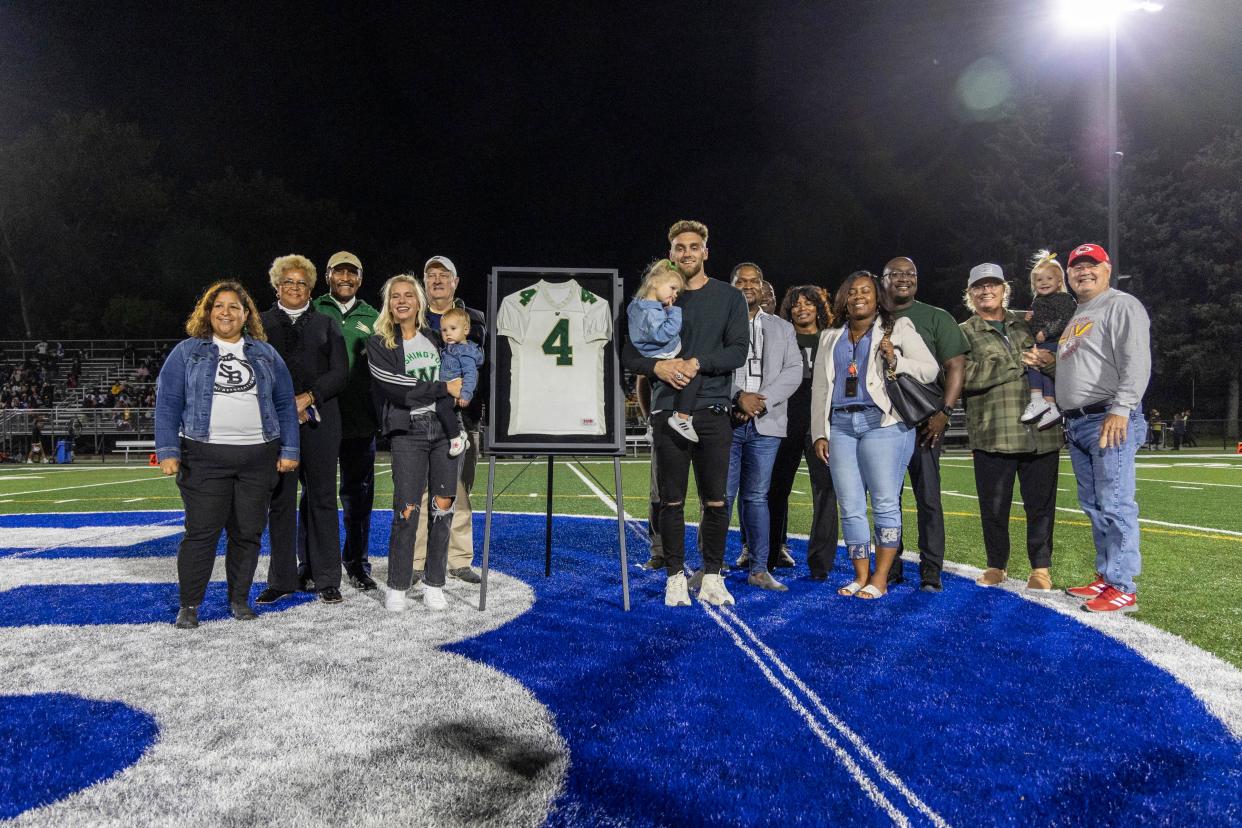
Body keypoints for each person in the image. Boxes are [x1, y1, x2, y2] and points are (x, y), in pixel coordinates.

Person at [155, 280, 299, 629]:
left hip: (258, 456)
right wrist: (168, 450)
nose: (226, 312)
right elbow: (168, 402)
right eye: (219, 305)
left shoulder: (266, 353)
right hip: (204, 456)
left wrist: (290, 448)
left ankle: (239, 598)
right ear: (208, 312)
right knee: (201, 532)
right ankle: (189, 604)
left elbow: (284, 403)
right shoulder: (188, 351)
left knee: (247, 532)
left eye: (235, 306)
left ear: (246, 314)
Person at [621, 219, 749, 607]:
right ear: (670, 252)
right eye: (680, 247)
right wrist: (657, 368)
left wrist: (696, 362)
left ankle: (712, 574)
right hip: (667, 411)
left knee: (716, 500)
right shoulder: (652, 297)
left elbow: (736, 351)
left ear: (705, 251)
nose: (687, 253)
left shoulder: (729, 297)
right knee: (671, 501)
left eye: (694, 246)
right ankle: (675, 576)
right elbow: (627, 353)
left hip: (712, 409)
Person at [1022, 243, 1151, 613]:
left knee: (1115, 502)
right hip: (1078, 422)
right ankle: (1107, 576)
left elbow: (1136, 360)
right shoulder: (1079, 313)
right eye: (1077, 267)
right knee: (1094, 504)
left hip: (1106, 417)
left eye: (1091, 265)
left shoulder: (1121, 305)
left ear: (1107, 268)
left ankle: (1123, 584)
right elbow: (1080, 365)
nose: (1084, 272)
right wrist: (1047, 359)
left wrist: (1122, 408)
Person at [811, 270, 939, 599]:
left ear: (876, 295)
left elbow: (930, 369)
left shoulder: (897, 327)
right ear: (843, 299)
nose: (858, 296)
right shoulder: (830, 336)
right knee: (850, 505)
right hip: (840, 425)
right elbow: (821, 387)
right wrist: (818, 432)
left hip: (883, 423)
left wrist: (897, 360)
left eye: (865, 291)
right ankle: (860, 575)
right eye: (852, 291)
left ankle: (880, 577)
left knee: (884, 503)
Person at [959, 263, 1061, 591]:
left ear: (1005, 290)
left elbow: (1059, 360)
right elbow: (962, 376)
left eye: (993, 285)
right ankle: (996, 565)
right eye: (979, 287)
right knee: (994, 506)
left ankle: (1041, 569)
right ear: (970, 294)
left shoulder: (1029, 324)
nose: (986, 291)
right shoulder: (962, 332)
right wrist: (1016, 362)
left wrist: (1051, 363)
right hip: (994, 432)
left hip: (1040, 433)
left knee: (1041, 505)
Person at [367, 274, 465, 612]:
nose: (402, 300)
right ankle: (397, 583)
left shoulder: (435, 338)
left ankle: (434, 582)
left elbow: (459, 372)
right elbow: (397, 387)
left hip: (444, 431)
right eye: (396, 296)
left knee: (443, 507)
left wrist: (462, 386)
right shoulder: (380, 343)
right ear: (389, 303)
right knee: (406, 509)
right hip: (408, 432)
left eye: (409, 294)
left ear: (419, 301)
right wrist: (444, 389)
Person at [256, 254, 349, 606]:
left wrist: (308, 398)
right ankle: (282, 579)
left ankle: (326, 577)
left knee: (323, 498)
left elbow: (340, 372)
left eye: (301, 282)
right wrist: (284, 405)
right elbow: (257, 373)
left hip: (321, 420)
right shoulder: (261, 324)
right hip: (276, 423)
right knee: (280, 500)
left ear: (311, 287)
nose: (294, 288)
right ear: (277, 286)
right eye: (288, 282)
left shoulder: (327, 323)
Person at [881, 256, 969, 592]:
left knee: (928, 498)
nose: (904, 279)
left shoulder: (935, 317)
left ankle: (931, 570)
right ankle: (891, 566)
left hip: (923, 420)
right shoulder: (873, 316)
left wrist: (944, 412)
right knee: (887, 498)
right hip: (883, 422)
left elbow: (955, 366)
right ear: (883, 279)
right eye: (896, 274)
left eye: (910, 274)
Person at [722, 263, 802, 591]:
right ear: (731, 286)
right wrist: (738, 398)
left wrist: (761, 400)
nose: (748, 285)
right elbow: (710, 369)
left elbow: (793, 370)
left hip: (767, 422)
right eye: (741, 280)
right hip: (725, 420)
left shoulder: (782, 328)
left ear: (762, 286)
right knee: (720, 497)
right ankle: (710, 567)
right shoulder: (719, 322)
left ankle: (759, 568)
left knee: (757, 496)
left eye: (754, 281)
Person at [412, 255, 485, 585]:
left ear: (455, 282)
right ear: (424, 283)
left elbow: (482, 368)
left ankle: (458, 558)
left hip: (461, 418)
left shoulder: (476, 320)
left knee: (458, 490)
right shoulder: (412, 318)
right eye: (431, 275)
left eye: (444, 275)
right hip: (421, 417)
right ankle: (417, 560)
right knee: (418, 489)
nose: (437, 280)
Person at [311, 250, 381, 591]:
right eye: (339, 271)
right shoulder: (313, 308)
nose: (345, 278)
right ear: (327, 276)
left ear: (360, 278)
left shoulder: (374, 315)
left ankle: (356, 564)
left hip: (359, 420)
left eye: (351, 273)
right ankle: (311, 564)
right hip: (318, 418)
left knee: (358, 498)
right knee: (314, 495)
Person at [767, 285, 839, 581]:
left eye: (809, 302)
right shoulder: (782, 336)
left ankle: (820, 562)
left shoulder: (833, 337)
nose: (801, 308)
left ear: (820, 306)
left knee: (825, 489)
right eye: (795, 304)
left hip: (821, 413)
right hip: (787, 412)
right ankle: (768, 554)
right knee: (776, 487)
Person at [627, 259, 701, 441]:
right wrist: (674, 312)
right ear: (654, 282)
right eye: (673, 288)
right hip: (665, 354)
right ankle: (682, 418)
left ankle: (651, 425)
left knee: (655, 390)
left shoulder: (636, 306)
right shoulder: (652, 311)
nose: (675, 294)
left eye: (677, 291)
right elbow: (662, 334)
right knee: (694, 372)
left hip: (651, 356)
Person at [1020, 250, 1077, 429]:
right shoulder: (1038, 302)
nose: (1044, 283)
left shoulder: (1063, 299)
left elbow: (1066, 318)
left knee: (1034, 362)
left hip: (1058, 342)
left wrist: (1045, 331)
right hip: (1045, 342)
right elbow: (1035, 331)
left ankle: (1037, 399)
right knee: (1044, 372)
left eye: (1049, 279)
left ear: (1059, 281)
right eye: (1039, 280)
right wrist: (1030, 323)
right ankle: (1050, 405)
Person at [434, 307, 484, 457]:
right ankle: (461, 434)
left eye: (453, 328)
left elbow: (470, 374)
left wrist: (466, 395)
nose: (447, 333)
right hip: (447, 388)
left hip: (455, 391)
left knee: (442, 408)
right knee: (451, 413)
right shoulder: (450, 348)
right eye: (444, 330)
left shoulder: (465, 351)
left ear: (466, 329)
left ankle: (455, 438)